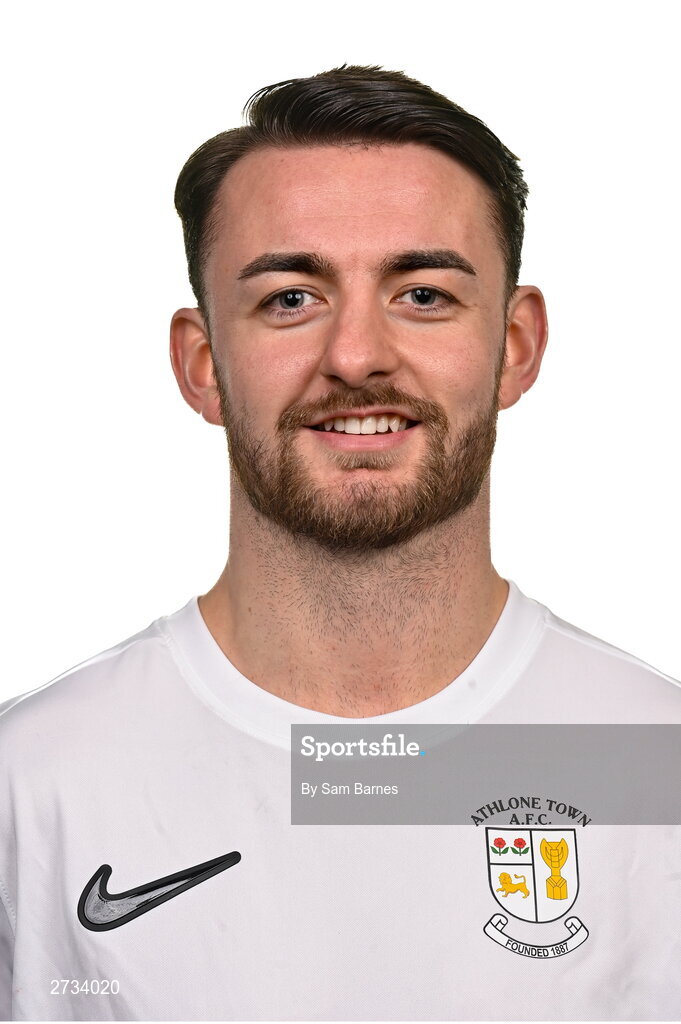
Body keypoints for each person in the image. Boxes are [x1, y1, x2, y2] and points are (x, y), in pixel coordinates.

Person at [1, 64, 679, 1022]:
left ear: (516, 347)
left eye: (424, 294)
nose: (356, 355)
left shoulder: (656, 761)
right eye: (289, 297)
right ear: (201, 365)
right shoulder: (31, 786)